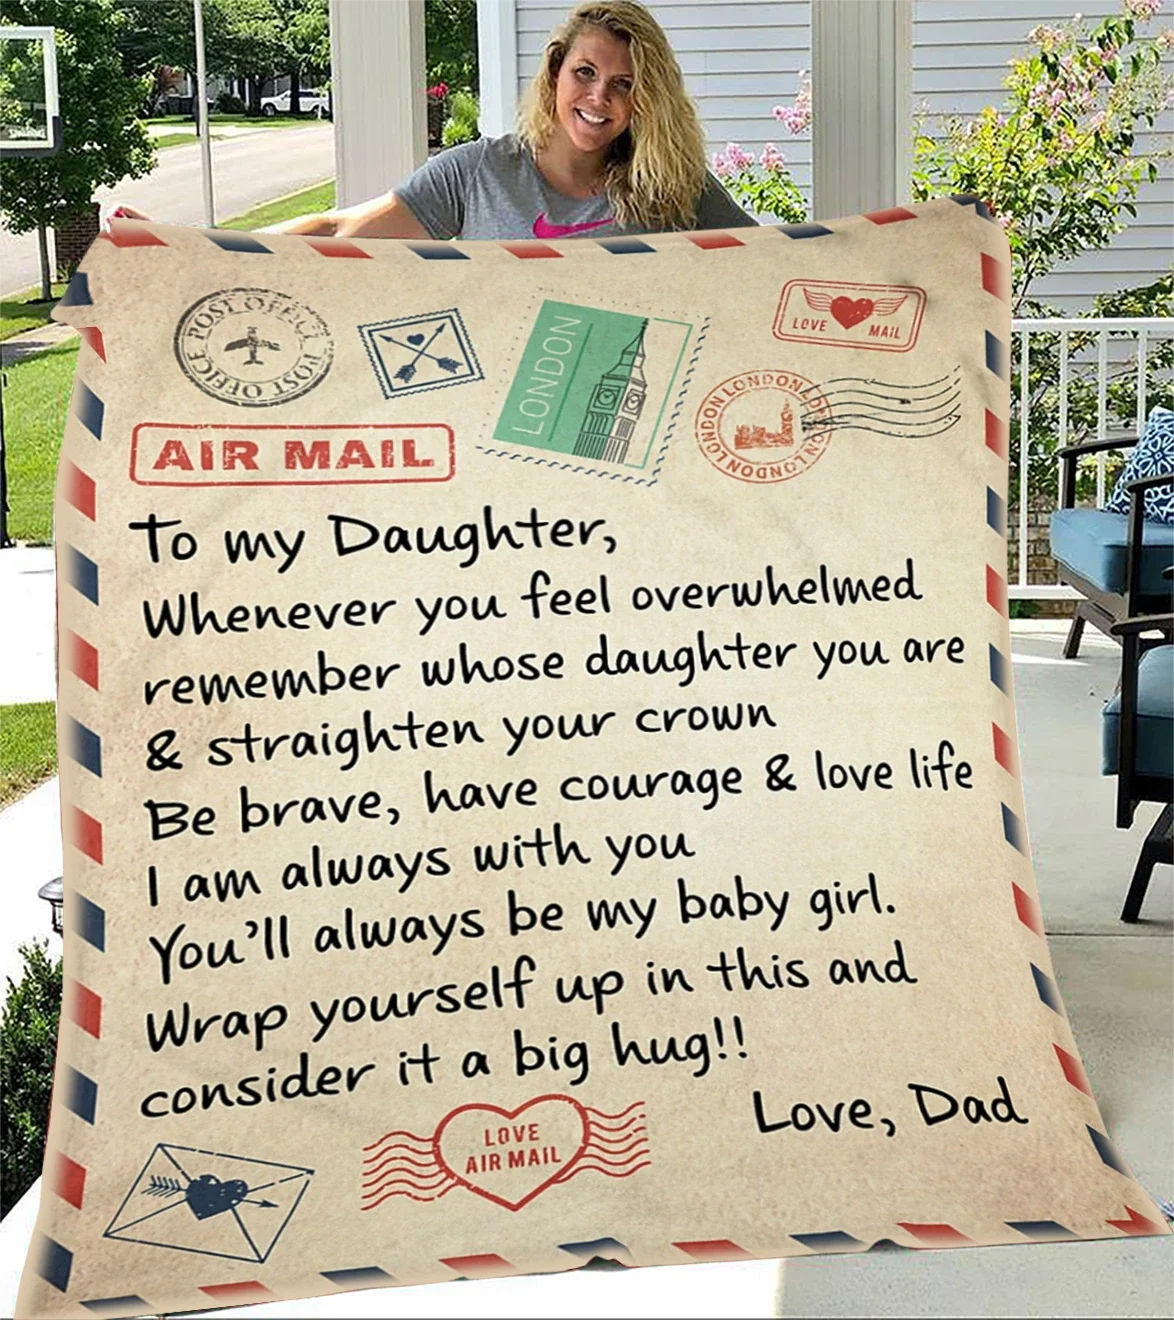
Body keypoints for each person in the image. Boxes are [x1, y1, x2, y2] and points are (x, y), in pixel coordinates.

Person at [278, 1, 755, 241]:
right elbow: (341, 232)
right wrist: (236, 251)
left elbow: (767, 260)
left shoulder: (673, 186)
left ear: (646, 99)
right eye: (585, 73)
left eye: (624, 84)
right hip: (496, 401)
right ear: (555, 71)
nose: (599, 97)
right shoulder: (477, 173)